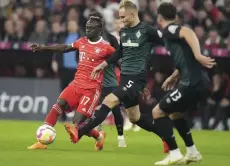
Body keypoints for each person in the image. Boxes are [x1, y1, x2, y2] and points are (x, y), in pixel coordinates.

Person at [64, 0, 168, 153]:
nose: (121, 20)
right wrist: (103, 64)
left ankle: (79, 132)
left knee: (109, 100)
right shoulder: (124, 31)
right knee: (135, 118)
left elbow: (167, 41)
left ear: (133, 14)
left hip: (137, 77)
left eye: (124, 17)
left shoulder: (147, 30)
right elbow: (120, 52)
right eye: (120, 17)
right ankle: (166, 135)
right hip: (126, 78)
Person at [27, 16, 115, 151]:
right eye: (87, 27)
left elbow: (121, 61)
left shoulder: (106, 48)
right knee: (58, 106)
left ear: (100, 30)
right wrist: (43, 48)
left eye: (91, 28)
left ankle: (98, 137)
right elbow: (65, 48)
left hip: (91, 90)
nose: (88, 30)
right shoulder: (82, 41)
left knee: (77, 123)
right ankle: (42, 141)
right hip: (76, 84)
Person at [152, 2, 216, 165]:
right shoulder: (171, 32)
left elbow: (187, 32)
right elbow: (184, 59)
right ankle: (193, 152)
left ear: (159, 17)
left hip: (192, 84)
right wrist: (174, 76)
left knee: (157, 112)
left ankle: (174, 154)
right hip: (197, 81)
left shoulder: (169, 29)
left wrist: (198, 54)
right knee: (174, 113)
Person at [89, 12, 126, 148]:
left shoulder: (110, 38)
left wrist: (124, 71)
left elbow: (117, 56)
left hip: (110, 80)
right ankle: (98, 136)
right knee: (95, 109)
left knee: (115, 110)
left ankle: (121, 137)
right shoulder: (87, 39)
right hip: (94, 81)